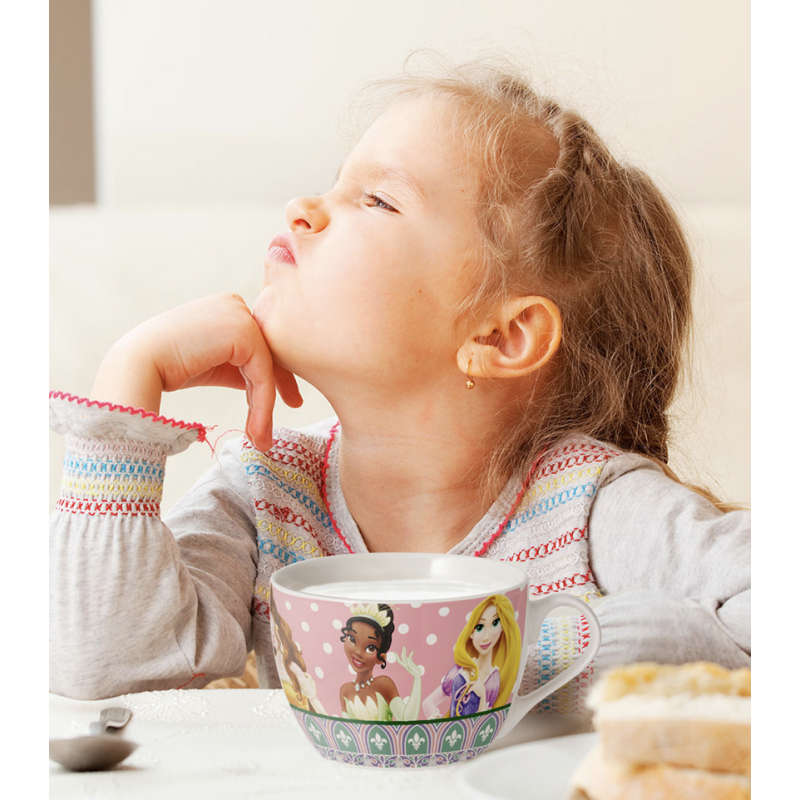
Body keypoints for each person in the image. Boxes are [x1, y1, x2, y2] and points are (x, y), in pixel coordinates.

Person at [49, 55, 750, 713]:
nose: (302, 207)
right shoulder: (264, 498)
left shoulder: (591, 508)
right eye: (336, 185)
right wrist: (125, 388)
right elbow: (110, 675)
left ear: (501, 338)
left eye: (377, 201)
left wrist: (547, 658)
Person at [423, 595, 522, 719]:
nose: (486, 636)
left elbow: (484, 721)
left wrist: (482, 695)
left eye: (495, 623)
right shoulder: (460, 670)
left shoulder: (493, 678)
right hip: (449, 733)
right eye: (479, 627)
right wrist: (435, 718)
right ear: (471, 633)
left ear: (503, 627)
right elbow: (428, 702)